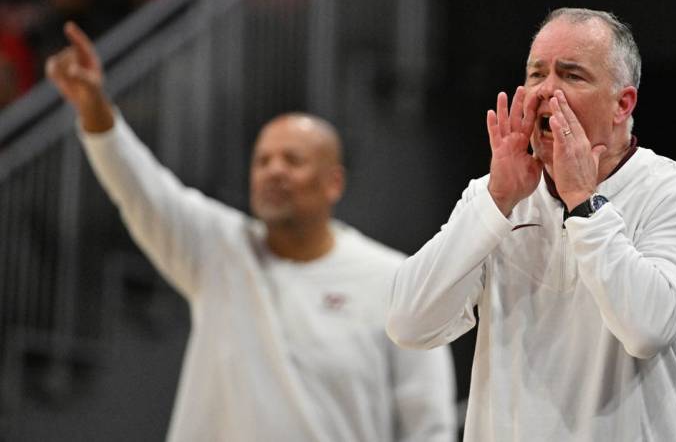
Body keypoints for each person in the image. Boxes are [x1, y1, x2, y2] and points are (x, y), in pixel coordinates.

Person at [46, 22, 456, 442]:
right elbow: (141, 189)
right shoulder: (217, 250)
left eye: (292, 160)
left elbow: (429, 425)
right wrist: (95, 107)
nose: (274, 170)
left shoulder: (394, 280)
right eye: (263, 161)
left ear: (333, 182)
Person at [387, 7, 676, 442]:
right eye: (536, 75)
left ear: (622, 104)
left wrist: (583, 203)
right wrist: (496, 202)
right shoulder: (495, 197)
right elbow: (408, 323)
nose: (546, 91)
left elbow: (646, 328)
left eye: (571, 76)